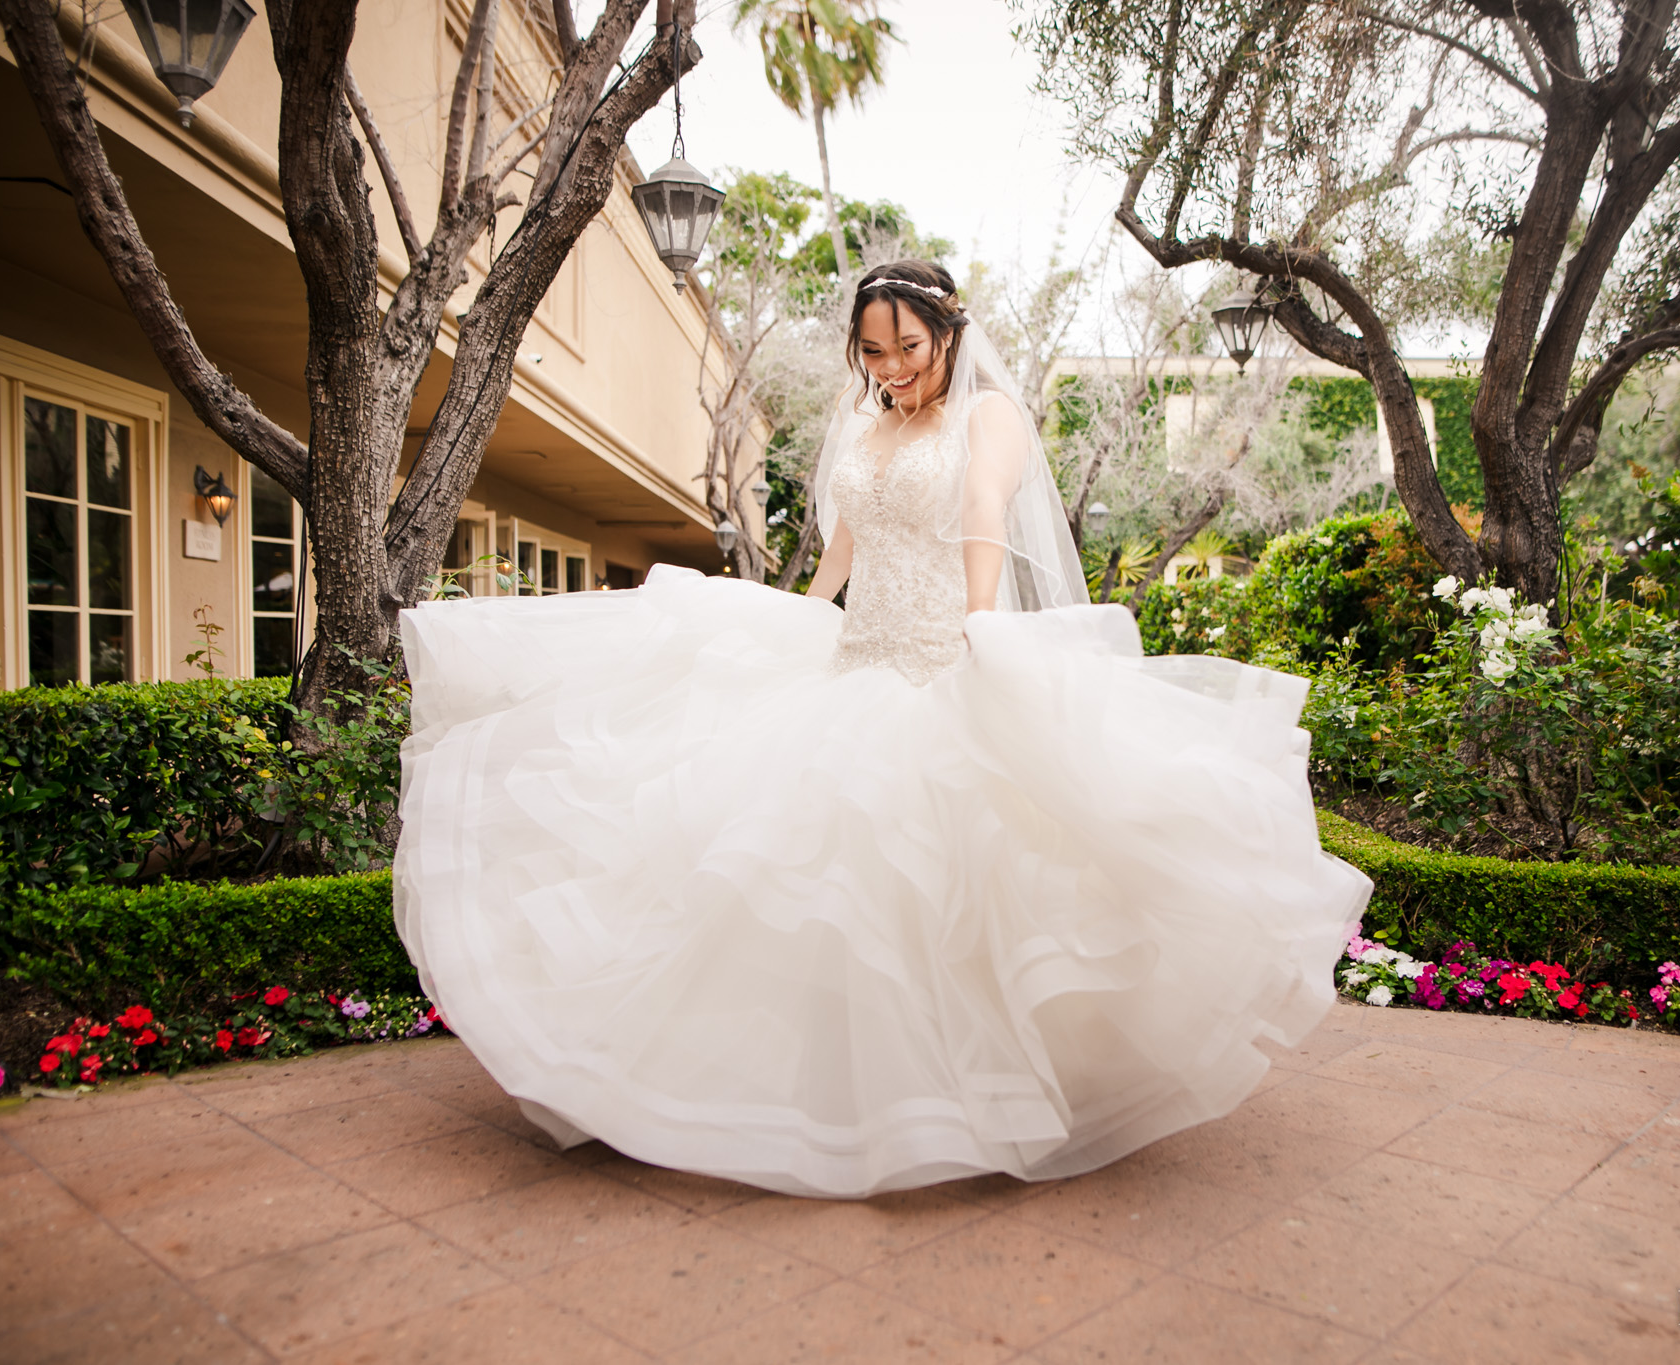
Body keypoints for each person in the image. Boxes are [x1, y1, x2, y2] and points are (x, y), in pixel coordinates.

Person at [394, 260, 1372, 1199]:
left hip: (940, 657)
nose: (889, 365)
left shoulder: (986, 418)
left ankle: (969, 1096)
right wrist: (803, 609)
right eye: (870, 350)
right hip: (853, 660)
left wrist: (980, 623)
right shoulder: (865, 426)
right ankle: (804, 1085)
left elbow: (982, 510)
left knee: (957, 883)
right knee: (799, 874)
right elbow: (848, 537)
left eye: (906, 344)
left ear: (948, 327)